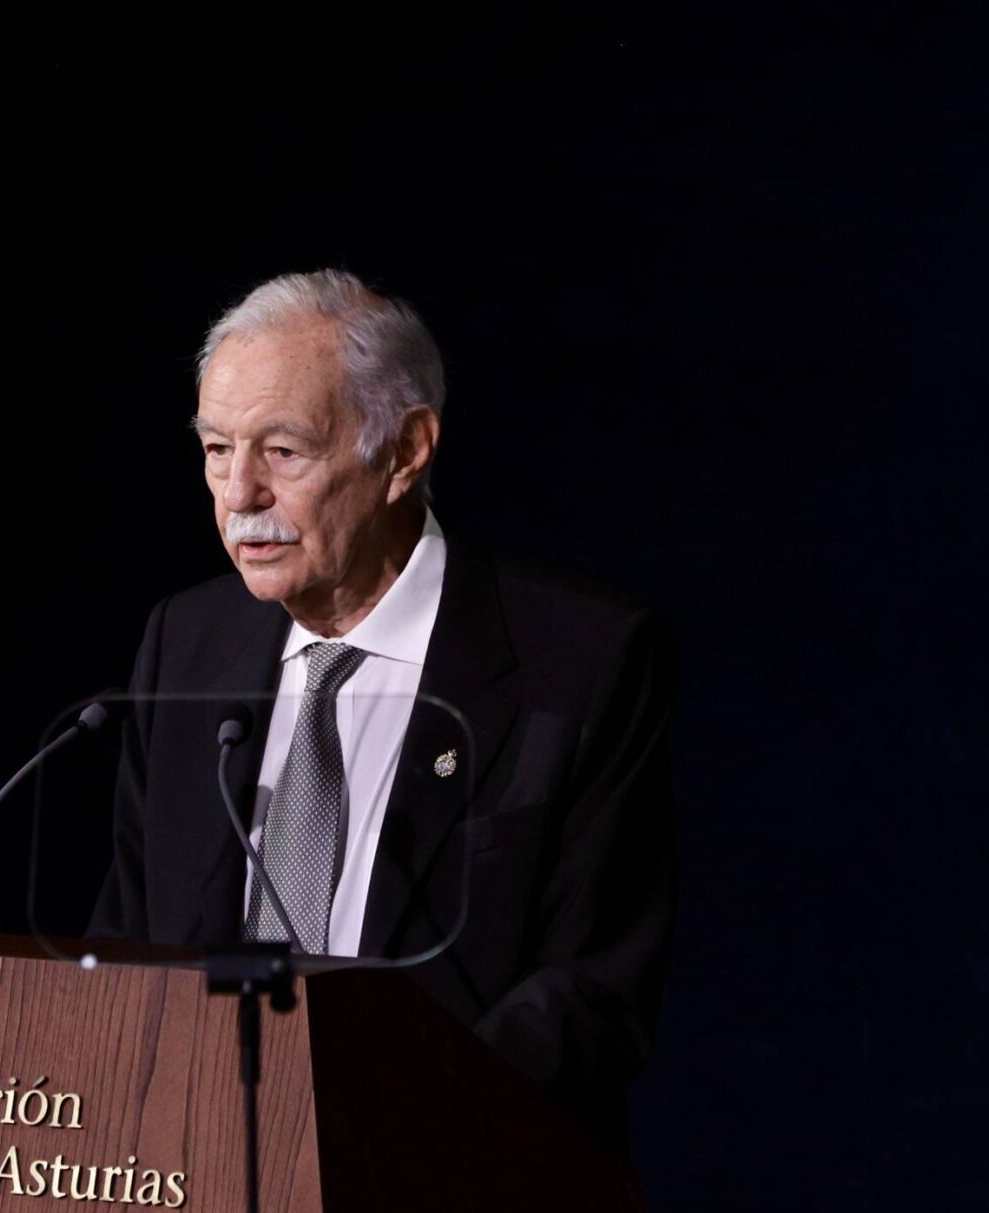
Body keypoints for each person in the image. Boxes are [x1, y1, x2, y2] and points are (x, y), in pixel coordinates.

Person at [86, 268, 679, 1157]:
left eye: (282, 452)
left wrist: (377, 1140)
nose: (239, 494)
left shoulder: (579, 661)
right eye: (216, 449)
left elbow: (592, 992)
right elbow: (125, 943)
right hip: (197, 1201)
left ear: (405, 452)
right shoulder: (188, 641)